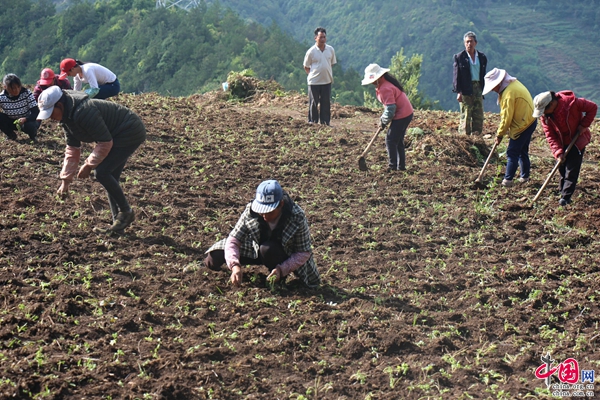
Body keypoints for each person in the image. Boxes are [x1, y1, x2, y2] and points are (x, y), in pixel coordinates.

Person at [36, 86, 146, 233]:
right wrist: (65, 181)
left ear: (60, 105)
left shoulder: (83, 112)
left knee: (102, 172)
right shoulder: (67, 117)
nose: (51, 118)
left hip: (129, 131)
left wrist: (88, 165)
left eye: (51, 113)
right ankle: (118, 223)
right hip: (116, 135)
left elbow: (105, 142)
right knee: (109, 176)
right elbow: (72, 149)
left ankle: (126, 212)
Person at [204, 180, 321, 288]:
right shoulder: (251, 211)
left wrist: (281, 270)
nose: (264, 215)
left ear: (281, 204)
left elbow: (303, 252)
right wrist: (235, 266)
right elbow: (233, 240)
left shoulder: (296, 216)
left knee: (268, 249)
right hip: (254, 247)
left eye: (269, 211)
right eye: (261, 211)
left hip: (282, 254)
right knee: (214, 256)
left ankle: (277, 280)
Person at [532, 91, 597, 206]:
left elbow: (592, 107)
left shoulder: (572, 103)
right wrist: (558, 152)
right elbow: (550, 135)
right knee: (562, 168)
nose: (543, 114)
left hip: (576, 141)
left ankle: (566, 197)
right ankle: (562, 191)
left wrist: (584, 125)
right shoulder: (546, 117)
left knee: (571, 169)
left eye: (544, 110)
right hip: (561, 142)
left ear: (551, 104)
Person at [482, 68, 536, 187]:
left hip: (522, 124)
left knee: (512, 152)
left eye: (493, 87)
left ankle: (508, 180)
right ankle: (525, 177)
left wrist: (499, 135)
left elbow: (506, 118)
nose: (493, 90)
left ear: (498, 83)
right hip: (530, 120)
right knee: (522, 150)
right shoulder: (513, 84)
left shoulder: (508, 94)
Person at [361, 63, 414, 171]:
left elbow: (391, 109)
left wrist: (383, 122)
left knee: (390, 140)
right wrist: (383, 120)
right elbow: (389, 108)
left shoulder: (385, 88)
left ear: (380, 77)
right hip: (407, 113)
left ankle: (392, 166)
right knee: (398, 140)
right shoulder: (385, 84)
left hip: (402, 115)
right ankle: (401, 166)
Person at [453, 31, 488, 135]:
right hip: (465, 88)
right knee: (466, 114)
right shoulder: (460, 57)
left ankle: (477, 137)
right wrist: (458, 91)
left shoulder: (482, 57)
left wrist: (484, 89)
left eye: (471, 41)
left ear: (475, 43)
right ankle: (464, 138)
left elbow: (484, 74)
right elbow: (456, 75)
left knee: (478, 114)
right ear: (464, 43)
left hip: (478, 87)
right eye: (467, 42)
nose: (469, 44)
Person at [303, 27, 336, 126]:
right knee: (313, 102)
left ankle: (325, 122)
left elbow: (331, 63)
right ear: (315, 38)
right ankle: (313, 121)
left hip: (327, 81)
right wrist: (312, 75)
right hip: (314, 82)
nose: (323, 39)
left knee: (325, 103)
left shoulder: (330, 49)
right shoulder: (311, 51)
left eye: (324, 37)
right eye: (320, 37)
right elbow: (306, 66)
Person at [0, 74, 40, 142]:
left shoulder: (26, 93)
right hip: (12, 121)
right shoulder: (2, 97)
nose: (16, 90)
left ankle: (33, 136)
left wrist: (26, 119)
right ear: (5, 87)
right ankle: (10, 135)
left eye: (18, 87)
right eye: (13, 88)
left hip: (28, 121)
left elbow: (35, 112)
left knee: (30, 125)